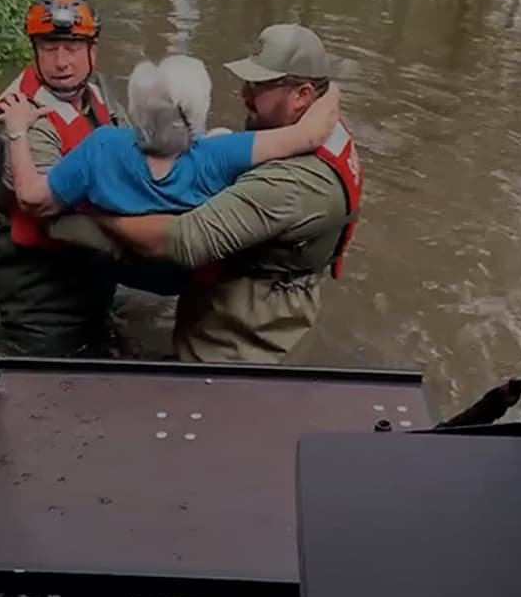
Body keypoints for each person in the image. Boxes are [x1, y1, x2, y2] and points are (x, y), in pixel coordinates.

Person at [90, 24, 363, 364]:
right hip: (280, 313)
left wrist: (97, 213)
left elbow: (182, 240)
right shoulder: (325, 123)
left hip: (235, 349)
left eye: (259, 86)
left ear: (303, 95)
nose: (244, 94)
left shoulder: (292, 185)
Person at [0, 54, 341, 220]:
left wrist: (16, 127)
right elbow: (309, 135)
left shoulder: (102, 148)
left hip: (115, 259)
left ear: (136, 107)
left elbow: (29, 197)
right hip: (172, 275)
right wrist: (329, 88)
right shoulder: (219, 153)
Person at [0, 0, 125, 356]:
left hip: (91, 289)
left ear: (93, 50)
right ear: (35, 50)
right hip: (40, 310)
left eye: (73, 47)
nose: (62, 61)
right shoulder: (19, 118)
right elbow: (44, 203)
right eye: (49, 47)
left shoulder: (98, 98)